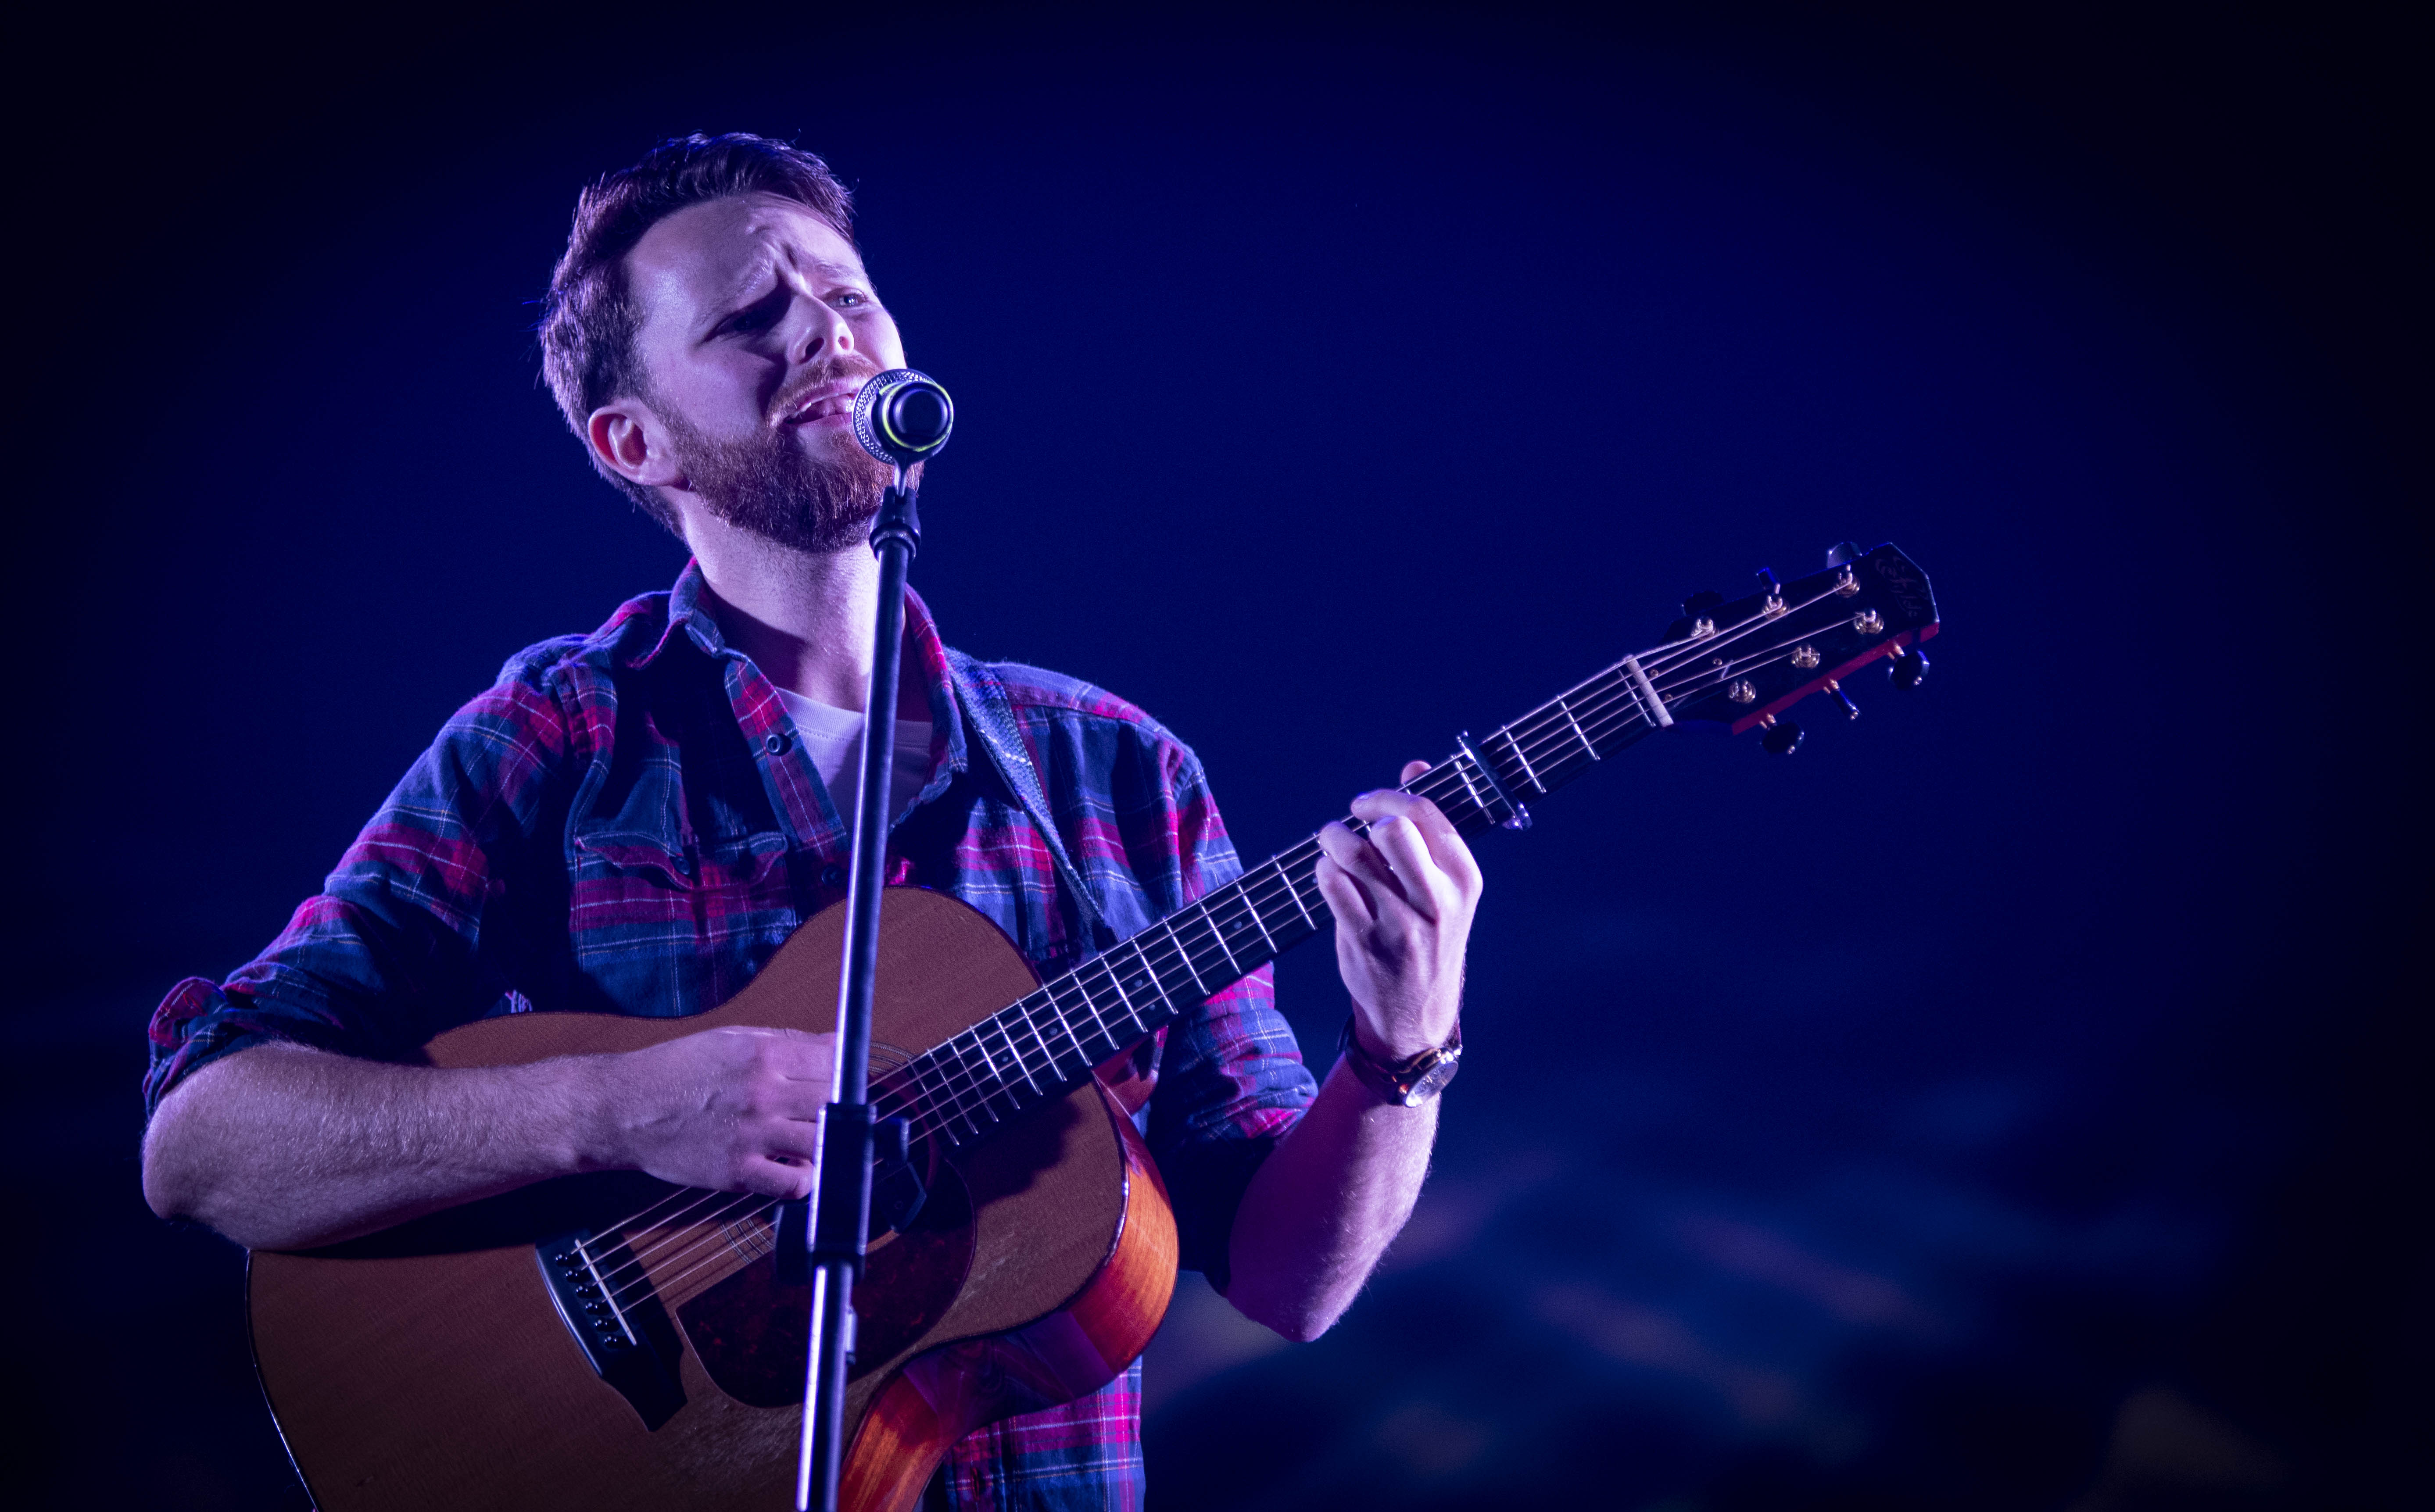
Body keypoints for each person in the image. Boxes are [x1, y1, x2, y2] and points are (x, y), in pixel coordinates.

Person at [139, 132, 1480, 1509]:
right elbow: (203, 1143)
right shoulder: (559, 735)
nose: (828, 339)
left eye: (847, 299)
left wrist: (1399, 1050)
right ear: (634, 440)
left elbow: (1287, 1281)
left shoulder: (1117, 768)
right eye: (751, 321)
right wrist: (618, 1107)